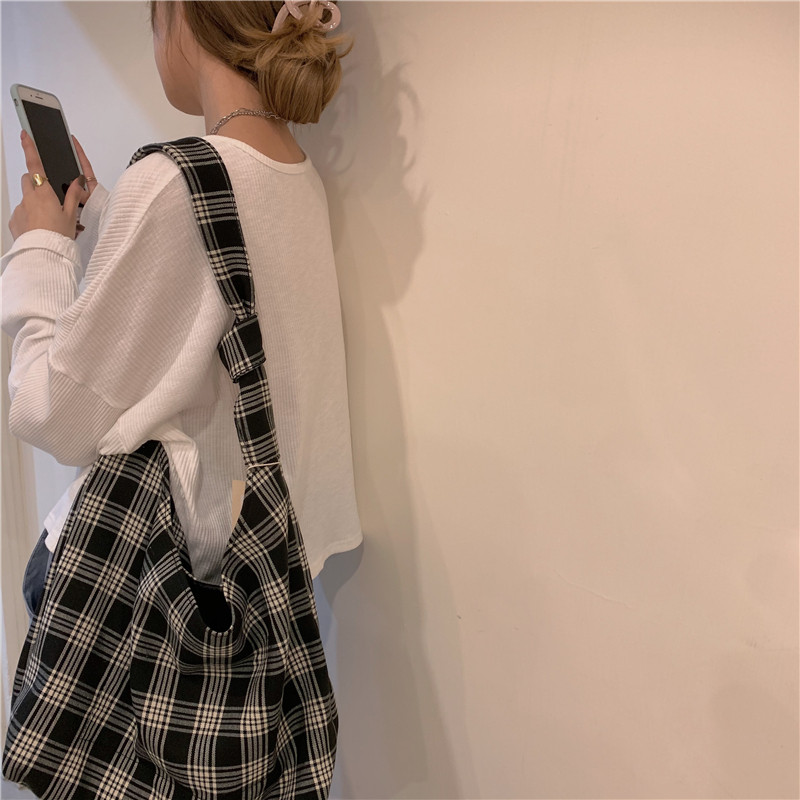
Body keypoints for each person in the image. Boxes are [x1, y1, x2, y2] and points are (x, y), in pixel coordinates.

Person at [2, 0, 363, 623]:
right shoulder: (296, 173)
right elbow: (203, 285)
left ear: (184, 16)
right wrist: (100, 215)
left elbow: (50, 413)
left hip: (145, 590)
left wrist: (41, 246)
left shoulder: (172, 180)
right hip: (248, 579)